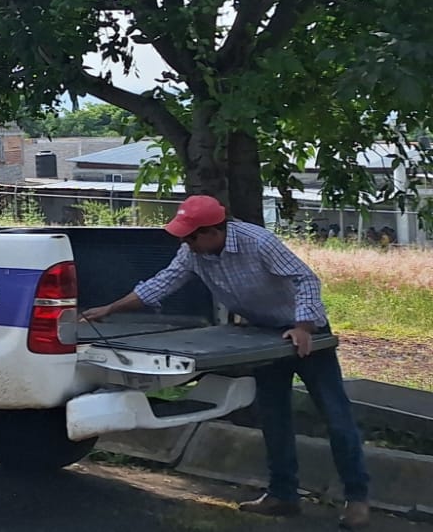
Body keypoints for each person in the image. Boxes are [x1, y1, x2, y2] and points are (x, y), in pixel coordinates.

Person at [81, 194, 371, 529]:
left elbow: (305, 278)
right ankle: (283, 495)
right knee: (273, 416)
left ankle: (357, 498)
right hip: (263, 335)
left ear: (213, 232)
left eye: (192, 237)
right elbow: (162, 283)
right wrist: (110, 309)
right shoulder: (193, 253)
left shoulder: (257, 241)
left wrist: (303, 327)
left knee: (335, 416)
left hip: (307, 333)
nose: (187, 244)